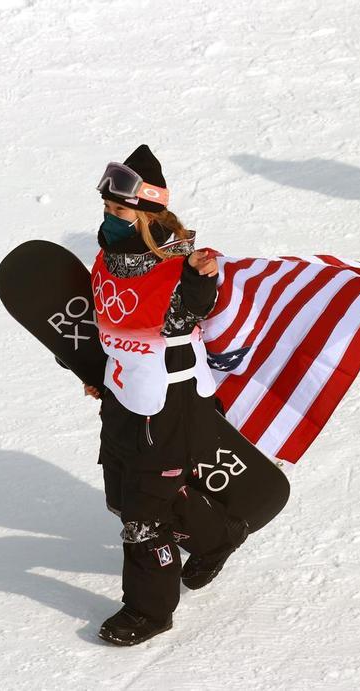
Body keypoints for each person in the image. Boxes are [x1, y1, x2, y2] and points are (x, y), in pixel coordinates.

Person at [87, 144, 249, 646]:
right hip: (124, 400)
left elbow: (192, 310)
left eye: (121, 211)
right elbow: (109, 327)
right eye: (108, 210)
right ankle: (216, 536)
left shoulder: (182, 270)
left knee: (142, 517)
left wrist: (200, 278)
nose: (111, 220)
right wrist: (97, 371)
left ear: (150, 214)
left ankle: (149, 610)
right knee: (121, 498)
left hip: (171, 408)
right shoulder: (107, 261)